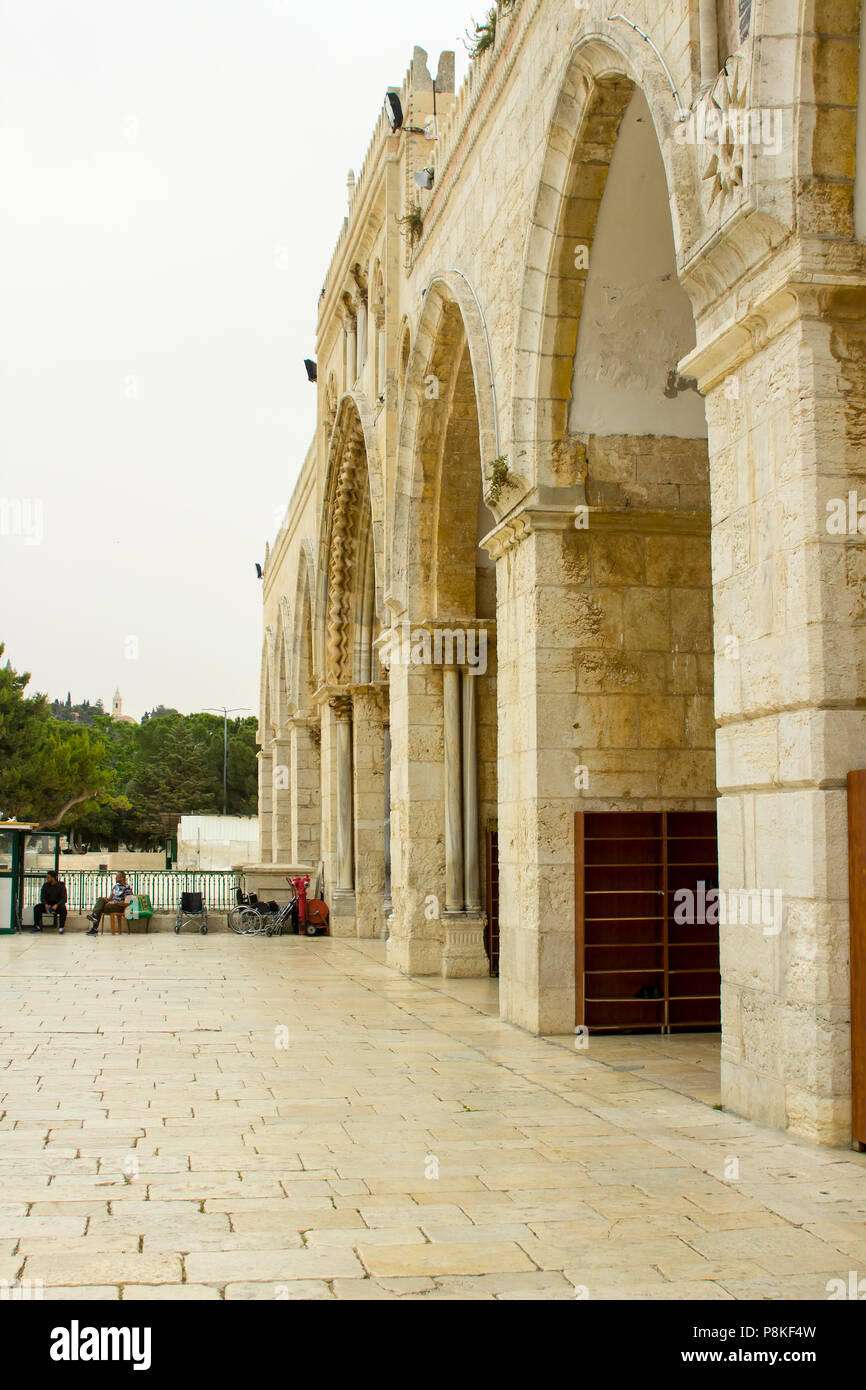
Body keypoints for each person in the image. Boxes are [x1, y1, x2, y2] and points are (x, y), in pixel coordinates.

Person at [86, 871, 133, 935]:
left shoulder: (127, 889)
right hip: (111, 905)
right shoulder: (116, 886)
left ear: (122, 878)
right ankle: (94, 916)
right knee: (100, 899)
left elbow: (126, 903)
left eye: (117, 877)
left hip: (119, 907)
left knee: (100, 908)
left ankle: (94, 924)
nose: (116, 878)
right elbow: (110, 898)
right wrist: (106, 899)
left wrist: (114, 903)